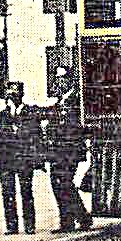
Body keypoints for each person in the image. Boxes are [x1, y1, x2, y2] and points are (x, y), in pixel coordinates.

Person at [0, 80, 39, 234]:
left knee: (26, 192)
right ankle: (11, 225)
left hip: (24, 159)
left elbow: (35, 137)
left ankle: (29, 225)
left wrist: (33, 157)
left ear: (21, 95)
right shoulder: (2, 115)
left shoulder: (30, 114)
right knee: (8, 193)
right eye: (9, 95)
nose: (11, 98)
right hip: (5, 160)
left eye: (15, 94)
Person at [45, 66, 92, 232]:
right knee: (58, 184)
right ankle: (76, 218)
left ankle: (75, 220)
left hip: (69, 151)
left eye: (63, 78)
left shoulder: (77, 101)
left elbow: (77, 127)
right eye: (57, 78)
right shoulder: (58, 101)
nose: (59, 82)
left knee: (64, 183)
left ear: (70, 80)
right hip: (57, 151)